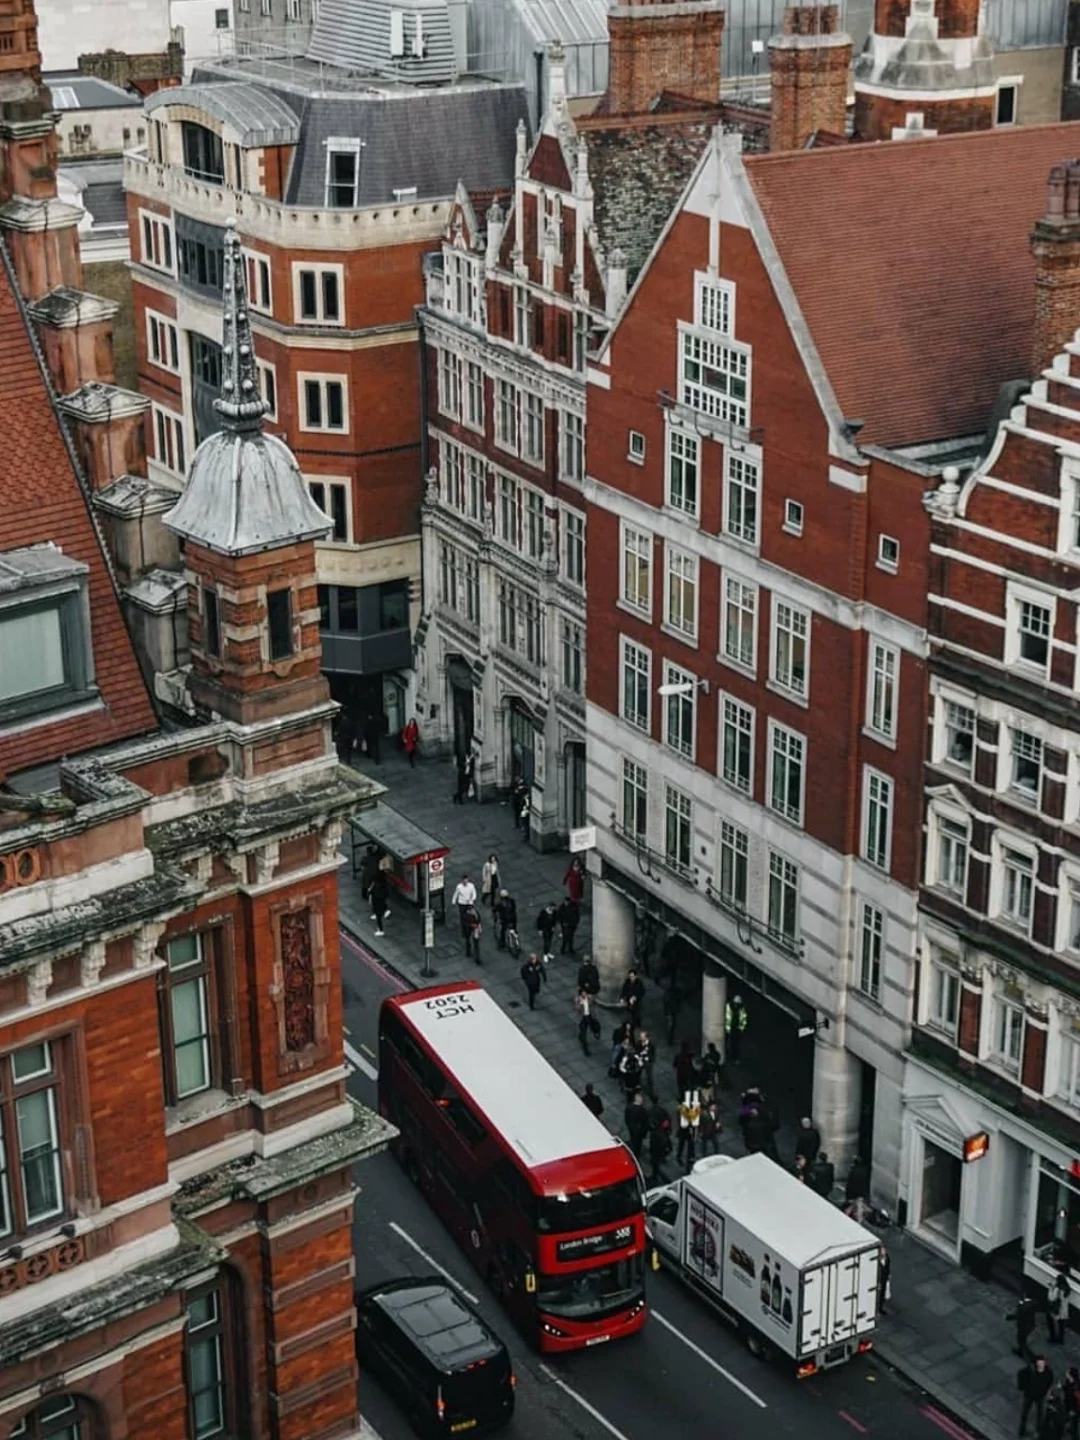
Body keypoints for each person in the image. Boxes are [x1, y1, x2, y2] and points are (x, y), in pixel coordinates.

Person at [1019, 1358, 1054, 1439]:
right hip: (1030, 1394)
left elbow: (1050, 1382)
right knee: (1025, 1412)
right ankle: (1022, 1429)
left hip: (1039, 1396)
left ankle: (1038, 1431)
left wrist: (1045, 1391)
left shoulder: (1048, 1372)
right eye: (1039, 1363)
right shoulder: (1032, 1370)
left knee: (1039, 1414)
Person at [677, 1090, 702, 1171]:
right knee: (682, 1144)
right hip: (684, 1131)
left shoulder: (691, 1107)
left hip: (690, 1131)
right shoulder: (682, 1108)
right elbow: (690, 1116)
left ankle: (689, 1161)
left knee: (690, 1147)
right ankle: (679, 1157)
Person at [647, 1109, 673, 1184]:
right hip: (658, 1151)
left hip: (657, 1151)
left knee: (656, 1165)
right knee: (656, 1165)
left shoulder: (657, 1133)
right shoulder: (659, 1133)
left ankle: (655, 1176)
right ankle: (655, 1176)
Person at [625, 1092, 651, 1158]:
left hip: (631, 1128)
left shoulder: (629, 1107)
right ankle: (636, 1154)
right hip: (639, 1131)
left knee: (633, 1138)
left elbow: (626, 1118)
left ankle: (633, 1148)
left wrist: (628, 1125)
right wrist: (644, 1133)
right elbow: (646, 1123)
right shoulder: (643, 1111)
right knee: (638, 1143)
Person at [452, 874, 477, 940]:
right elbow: (456, 894)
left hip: (469, 903)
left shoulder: (471, 886)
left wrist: (472, 899)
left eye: (466, 880)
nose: (465, 881)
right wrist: (454, 901)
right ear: (462, 880)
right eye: (464, 880)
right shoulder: (459, 887)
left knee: (471, 916)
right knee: (463, 918)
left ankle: (471, 928)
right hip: (462, 904)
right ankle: (464, 931)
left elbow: (474, 893)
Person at [576, 988, 600, 1055]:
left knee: (596, 1024)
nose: (584, 994)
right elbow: (577, 1009)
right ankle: (585, 1049)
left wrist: (590, 998)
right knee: (584, 1032)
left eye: (585, 993)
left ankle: (596, 1032)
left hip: (589, 1016)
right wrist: (580, 1003)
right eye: (583, 993)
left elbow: (593, 999)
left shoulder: (589, 998)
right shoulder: (578, 1000)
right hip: (583, 1018)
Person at [1049, 1275, 1072, 1346]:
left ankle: (1053, 1338)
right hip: (1064, 1309)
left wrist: (1051, 1288)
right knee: (1061, 1326)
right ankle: (1061, 1339)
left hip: (1058, 1309)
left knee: (1051, 1321)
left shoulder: (1058, 1289)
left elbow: (1051, 1298)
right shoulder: (1067, 1289)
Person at [725, 994, 748, 1064]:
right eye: (735, 1003)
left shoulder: (741, 1009)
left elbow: (743, 1020)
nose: (736, 1005)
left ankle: (735, 1058)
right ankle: (727, 1055)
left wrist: (741, 1028)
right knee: (726, 1043)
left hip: (735, 1029)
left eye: (737, 1004)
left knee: (735, 1045)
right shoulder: (728, 1007)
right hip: (727, 1028)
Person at [637, 1029, 656, 1102]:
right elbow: (637, 1051)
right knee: (639, 1073)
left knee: (649, 1077)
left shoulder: (651, 1044)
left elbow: (653, 1053)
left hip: (648, 1063)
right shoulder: (639, 1043)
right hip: (641, 1061)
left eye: (642, 1036)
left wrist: (651, 1060)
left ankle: (651, 1090)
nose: (640, 1038)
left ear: (646, 1037)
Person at [1062, 1366, 1080, 1440]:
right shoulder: (1068, 1381)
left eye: (1068, 1372)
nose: (1066, 1373)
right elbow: (1067, 1387)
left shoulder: (1077, 1388)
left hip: (1074, 1410)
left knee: (1074, 1425)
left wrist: (1074, 1411)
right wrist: (1062, 1387)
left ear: (1071, 1375)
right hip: (1068, 1406)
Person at [370, 870, 389, 938]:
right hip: (380, 901)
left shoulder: (376, 886)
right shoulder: (382, 884)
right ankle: (386, 911)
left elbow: (372, 893)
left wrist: (371, 891)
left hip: (377, 902)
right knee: (379, 915)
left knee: (378, 917)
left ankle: (380, 930)